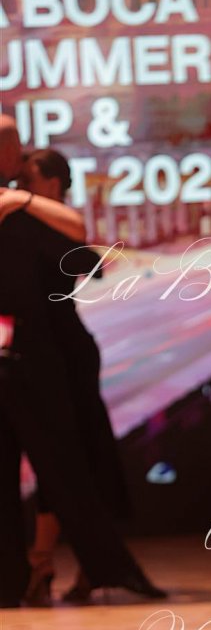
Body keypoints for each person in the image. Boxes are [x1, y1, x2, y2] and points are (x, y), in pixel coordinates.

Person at [0, 116, 165, 607]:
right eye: (12, 145)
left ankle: (49, 566)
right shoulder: (20, 213)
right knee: (61, 465)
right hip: (31, 353)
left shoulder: (25, 213)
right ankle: (38, 568)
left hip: (53, 353)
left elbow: (84, 249)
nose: (19, 156)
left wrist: (18, 200)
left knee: (69, 463)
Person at [12, 148, 133, 606]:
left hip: (66, 355)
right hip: (49, 352)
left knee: (77, 456)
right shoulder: (34, 224)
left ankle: (63, 564)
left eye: (27, 179)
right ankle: (59, 563)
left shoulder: (51, 223)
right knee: (64, 458)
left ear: (49, 183)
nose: (20, 186)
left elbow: (90, 260)